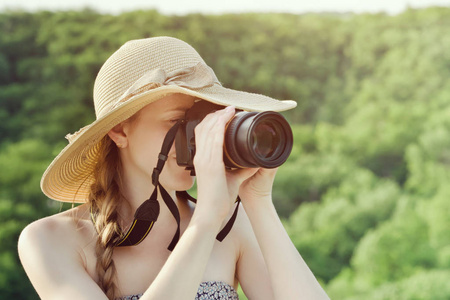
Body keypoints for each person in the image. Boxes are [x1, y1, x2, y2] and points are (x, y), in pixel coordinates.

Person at [17, 36, 330, 300]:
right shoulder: (50, 240)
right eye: (176, 122)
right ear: (120, 132)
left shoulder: (232, 225)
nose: (195, 139)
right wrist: (206, 221)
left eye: (204, 122)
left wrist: (258, 200)